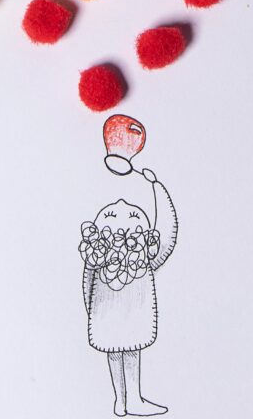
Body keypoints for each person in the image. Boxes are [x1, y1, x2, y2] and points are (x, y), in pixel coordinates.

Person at [78, 167, 178, 416]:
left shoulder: (138, 258)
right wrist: (156, 186)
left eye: (133, 214)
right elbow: (167, 237)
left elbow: (166, 235)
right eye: (111, 214)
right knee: (123, 350)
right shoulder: (105, 259)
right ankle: (126, 400)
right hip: (116, 315)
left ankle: (125, 400)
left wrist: (157, 188)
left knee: (119, 351)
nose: (121, 203)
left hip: (112, 316)